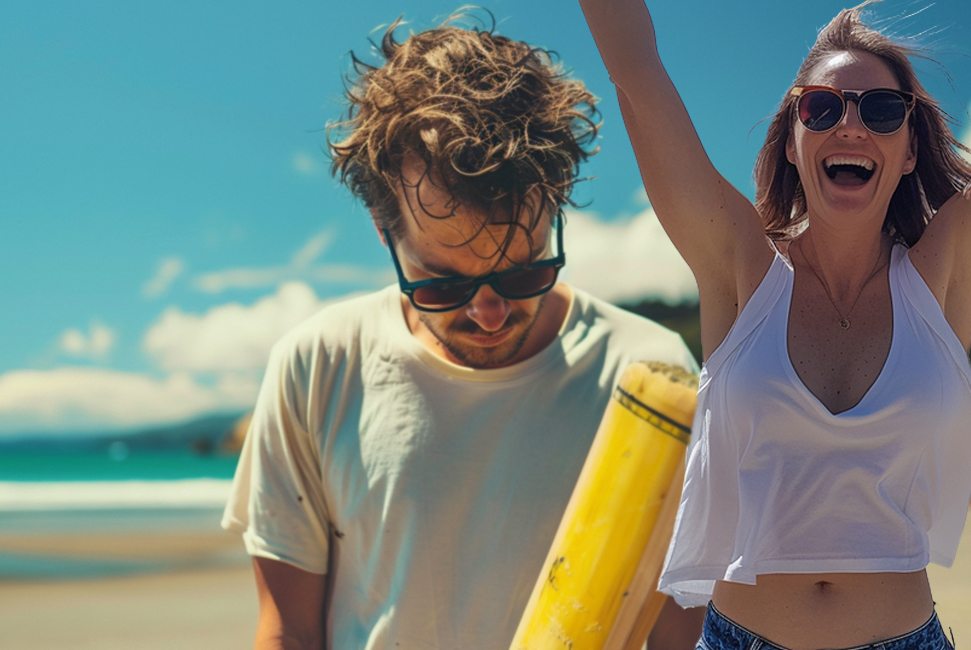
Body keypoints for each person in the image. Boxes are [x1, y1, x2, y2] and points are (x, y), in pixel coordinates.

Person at [221, 14, 701, 650]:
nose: (489, 312)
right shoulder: (318, 366)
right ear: (381, 227)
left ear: (555, 205)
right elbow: (287, 632)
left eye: (524, 273)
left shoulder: (650, 377)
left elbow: (682, 633)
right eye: (443, 284)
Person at [579, 1, 971, 649]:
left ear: (907, 153)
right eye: (821, 108)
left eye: (881, 111)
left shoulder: (942, 275)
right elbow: (636, 72)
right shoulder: (738, 264)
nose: (850, 124)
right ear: (792, 140)